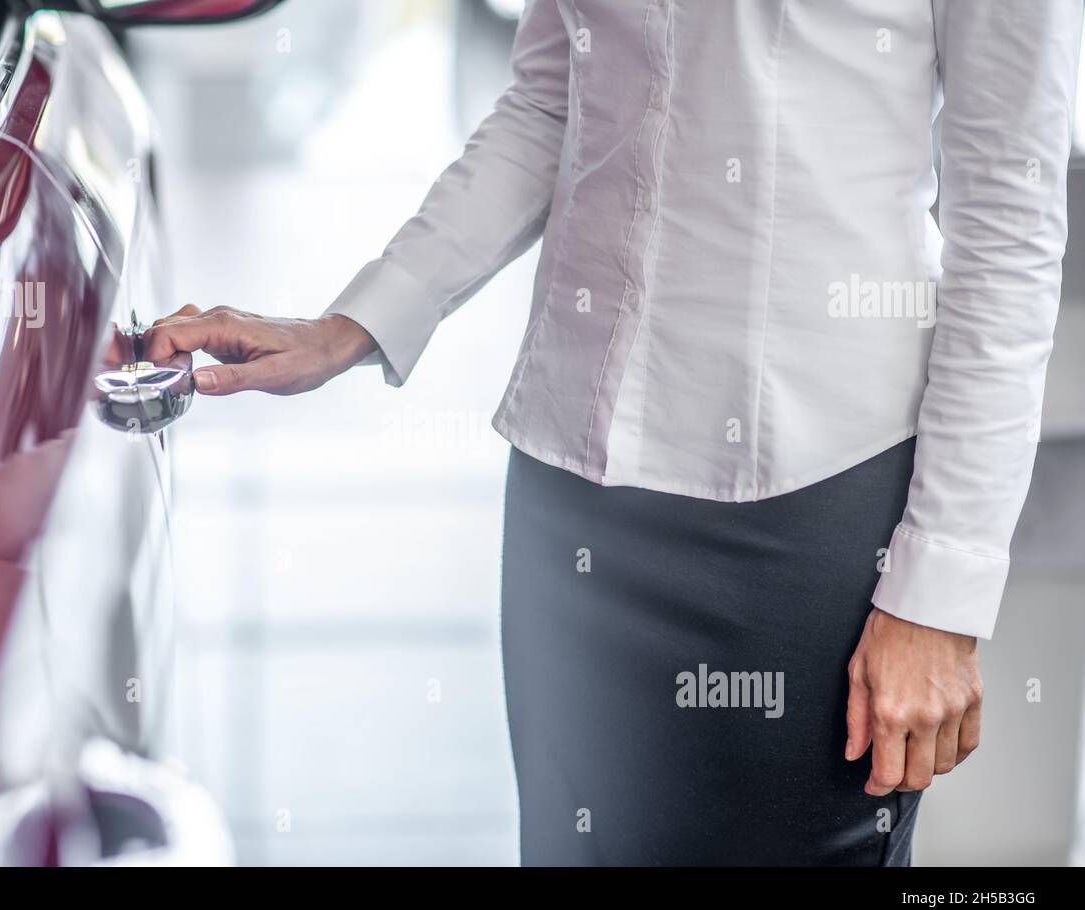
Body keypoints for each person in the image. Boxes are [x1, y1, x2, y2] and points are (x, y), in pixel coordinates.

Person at [144, 0, 1082, 865]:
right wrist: (350, 326)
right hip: (573, 501)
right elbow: (554, 101)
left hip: (809, 528)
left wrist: (937, 601)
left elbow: (1008, 214)